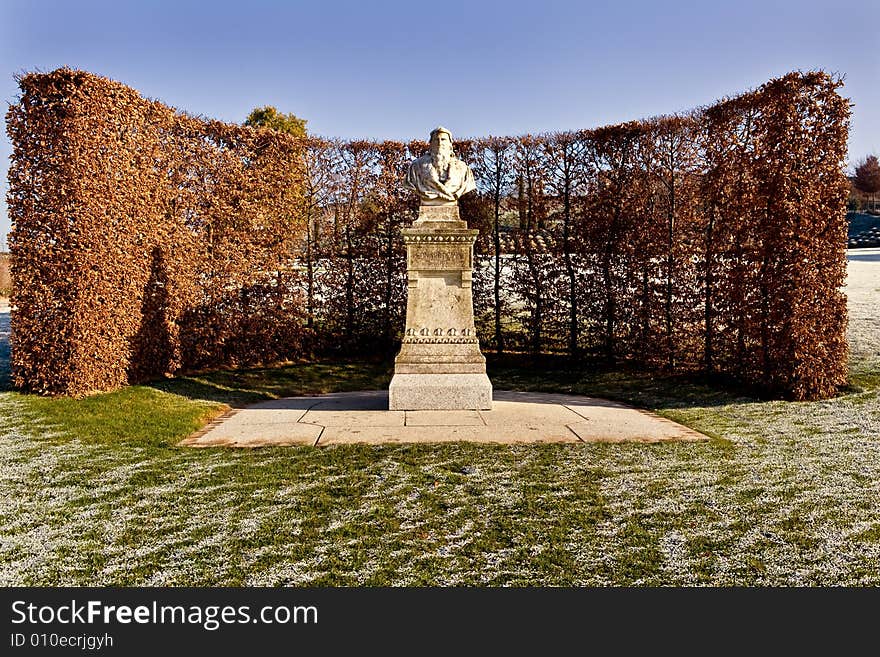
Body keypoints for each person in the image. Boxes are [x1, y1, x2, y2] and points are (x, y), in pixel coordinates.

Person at [405, 126, 476, 205]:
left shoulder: (463, 169)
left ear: (450, 144)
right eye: (436, 140)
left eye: (443, 139)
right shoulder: (416, 166)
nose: (440, 143)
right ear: (431, 144)